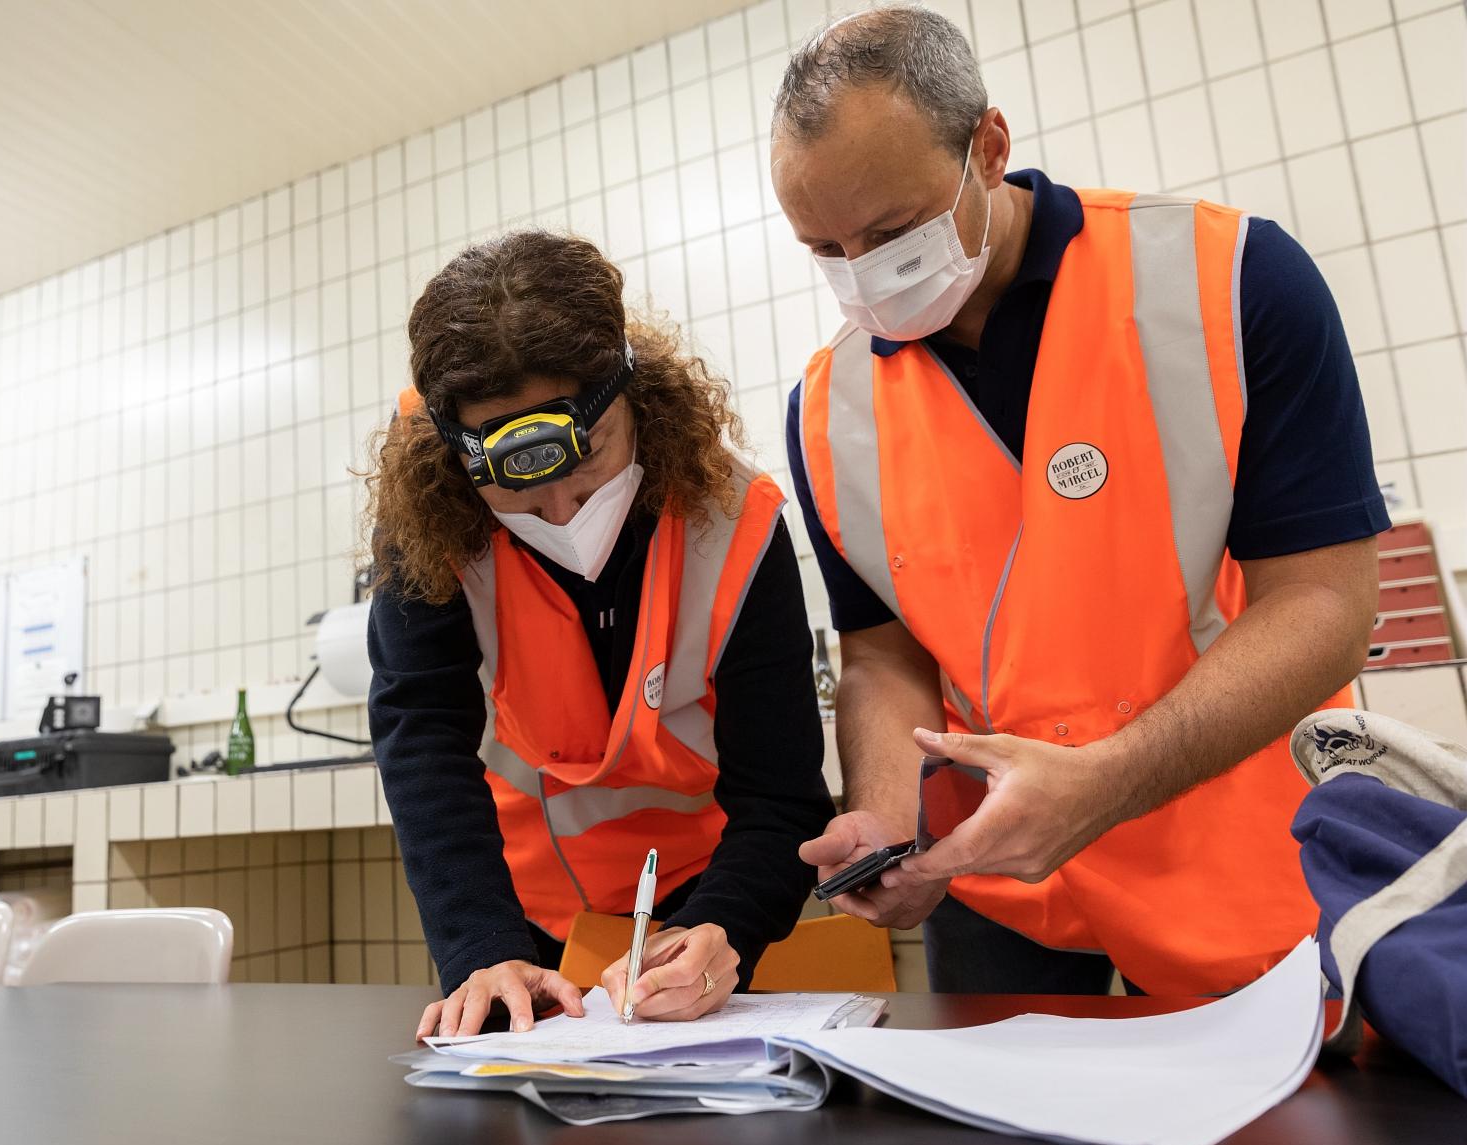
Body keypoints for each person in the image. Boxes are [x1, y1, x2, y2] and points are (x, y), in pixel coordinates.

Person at [772, 5, 1388, 996]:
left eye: (891, 234)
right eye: (827, 251)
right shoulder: (824, 412)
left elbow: (1324, 605)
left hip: (1239, 873)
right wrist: (891, 820)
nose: (865, 278)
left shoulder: (1229, 280)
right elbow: (886, 658)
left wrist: (1105, 784)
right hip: (998, 891)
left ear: (989, 146)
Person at [366, 230, 833, 1038]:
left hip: (707, 897)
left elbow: (782, 793)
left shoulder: (736, 526)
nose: (563, 516)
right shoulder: (430, 516)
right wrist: (480, 945)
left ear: (632, 399)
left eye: (586, 473)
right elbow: (423, 741)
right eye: (523, 498)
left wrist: (728, 925)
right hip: (523, 913)